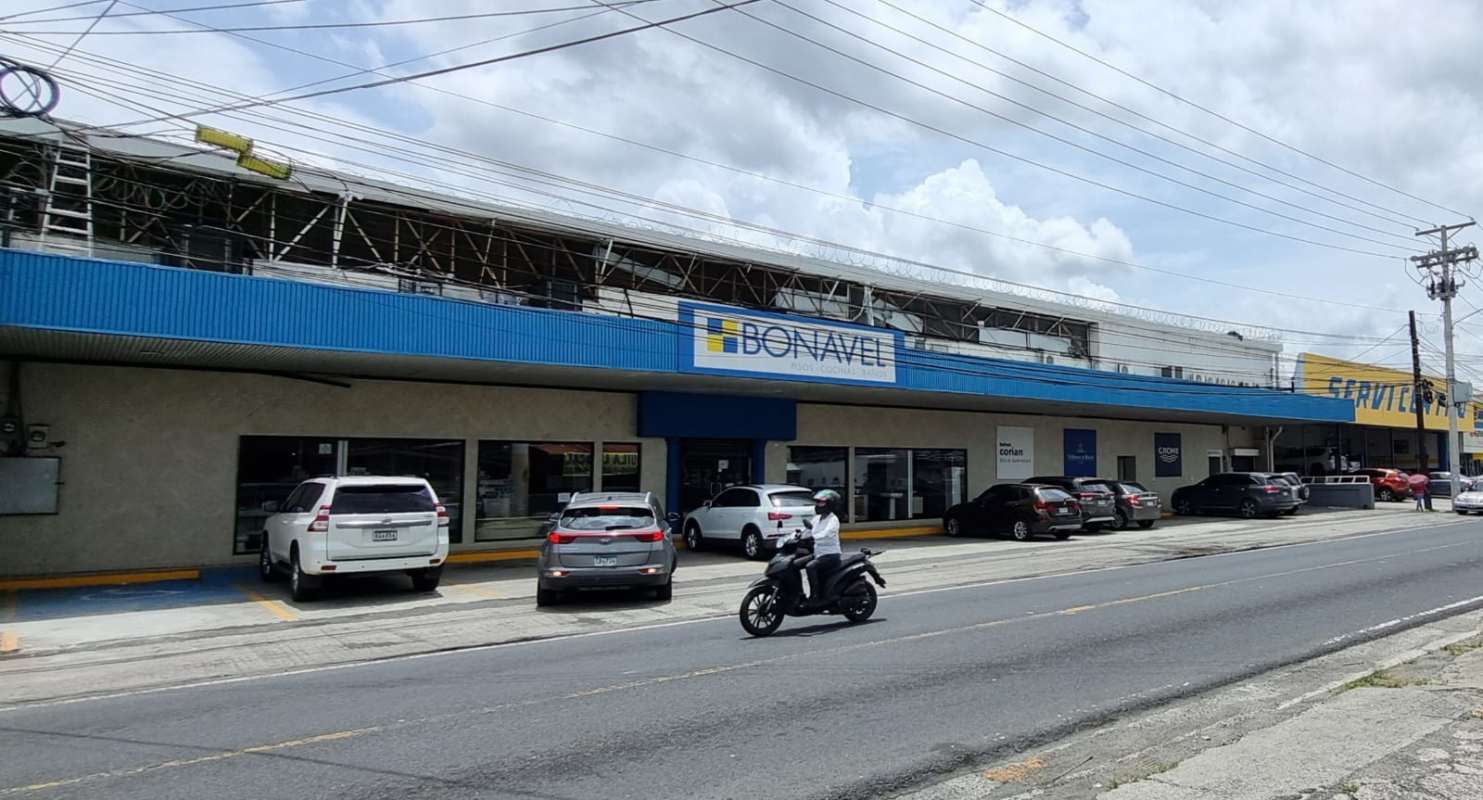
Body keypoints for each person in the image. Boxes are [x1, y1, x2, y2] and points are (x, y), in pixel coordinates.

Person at [805, 489, 842, 603]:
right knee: (795, 562)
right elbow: (808, 530)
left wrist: (813, 538)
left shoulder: (833, 520)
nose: (817, 505)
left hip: (830, 555)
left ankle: (815, 597)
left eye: (821, 502)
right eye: (817, 502)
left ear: (830, 504)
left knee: (810, 567)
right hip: (818, 553)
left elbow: (826, 533)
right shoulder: (817, 518)